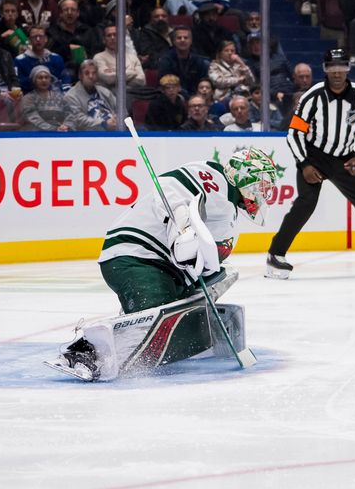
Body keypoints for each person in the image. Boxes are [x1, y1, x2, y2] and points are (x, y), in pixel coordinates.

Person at [47, 148, 278, 381]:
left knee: (220, 275)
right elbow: (166, 186)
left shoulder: (230, 208)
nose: (264, 192)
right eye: (262, 184)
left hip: (166, 267)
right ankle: (83, 352)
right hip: (135, 255)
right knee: (155, 315)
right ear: (245, 176)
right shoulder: (213, 177)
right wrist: (183, 227)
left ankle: (175, 317)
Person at [267, 49, 355, 279]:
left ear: (348, 69)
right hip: (314, 158)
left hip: (345, 159)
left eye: (341, 66)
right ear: (325, 70)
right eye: (332, 67)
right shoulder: (312, 97)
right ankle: (275, 255)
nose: (337, 72)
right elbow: (294, 134)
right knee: (306, 203)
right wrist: (304, 165)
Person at [157, 25, 210, 98]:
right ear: (174, 41)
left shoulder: (199, 61)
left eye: (186, 38)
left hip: (197, 96)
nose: (182, 40)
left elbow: (203, 82)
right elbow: (167, 83)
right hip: (175, 95)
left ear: (191, 41)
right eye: (179, 38)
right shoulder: (166, 60)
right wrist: (189, 96)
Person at [14, 25, 70, 93]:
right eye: (34, 37)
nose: (38, 39)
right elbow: (18, 83)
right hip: (30, 98)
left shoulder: (56, 58)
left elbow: (64, 79)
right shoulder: (20, 60)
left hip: (55, 97)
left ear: (46, 39)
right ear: (29, 40)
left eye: (41, 36)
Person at [64, 60, 117, 131]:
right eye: (87, 73)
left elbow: (121, 109)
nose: (91, 76)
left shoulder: (105, 92)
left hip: (115, 130)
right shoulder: (71, 96)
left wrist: (117, 119)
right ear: (80, 76)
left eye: (94, 73)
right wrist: (104, 124)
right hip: (90, 135)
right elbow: (78, 120)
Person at [20, 65, 74, 131]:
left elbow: (70, 114)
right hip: (36, 134)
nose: (44, 80)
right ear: (34, 80)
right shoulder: (28, 98)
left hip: (59, 133)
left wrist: (66, 125)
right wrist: (54, 129)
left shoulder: (60, 97)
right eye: (40, 78)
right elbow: (32, 118)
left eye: (46, 77)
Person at [93, 24, 146, 91]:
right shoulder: (98, 57)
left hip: (132, 95)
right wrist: (132, 73)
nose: (112, 38)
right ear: (104, 40)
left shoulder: (133, 57)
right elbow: (109, 79)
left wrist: (116, 75)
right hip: (108, 97)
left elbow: (141, 80)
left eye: (115, 35)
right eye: (109, 35)